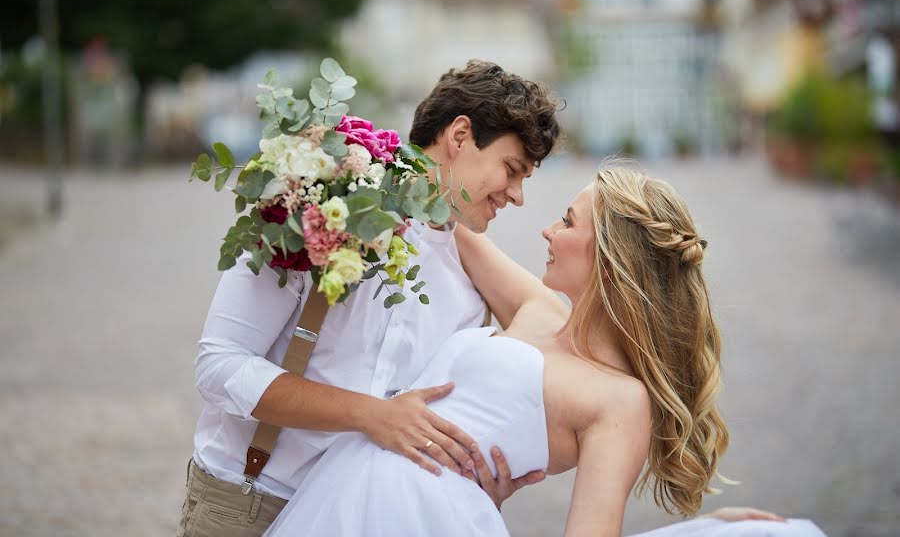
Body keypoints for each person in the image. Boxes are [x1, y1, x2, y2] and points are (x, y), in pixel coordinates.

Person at [261, 163, 826, 537]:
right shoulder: (539, 311)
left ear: (609, 256)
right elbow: (448, 220)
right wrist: (350, 165)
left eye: (567, 220)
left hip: (430, 518)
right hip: (347, 491)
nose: (547, 231)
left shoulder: (621, 402)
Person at [176, 61, 562, 536]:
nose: (518, 195)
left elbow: (549, 317)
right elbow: (219, 365)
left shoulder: (469, 279)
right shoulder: (317, 201)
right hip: (255, 503)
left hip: (371, 520)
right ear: (460, 136)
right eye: (511, 169)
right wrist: (371, 415)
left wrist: (471, 479)